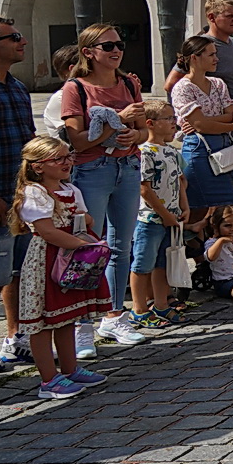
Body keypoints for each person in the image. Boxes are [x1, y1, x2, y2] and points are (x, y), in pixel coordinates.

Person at [59, 24, 148, 352]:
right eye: (107, 45)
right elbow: (78, 142)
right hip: (92, 170)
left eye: (120, 45)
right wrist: (117, 119)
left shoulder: (127, 83)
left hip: (127, 167)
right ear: (88, 51)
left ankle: (114, 316)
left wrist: (133, 135)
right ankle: (82, 326)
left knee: (121, 245)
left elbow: (144, 131)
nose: (116, 50)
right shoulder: (76, 88)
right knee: (86, 248)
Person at [10, 136, 110, 398]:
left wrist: (84, 230)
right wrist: (82, 246)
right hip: (48, 259)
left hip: (71, 256)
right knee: (42, 323)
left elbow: (87, 218)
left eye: (68, 156)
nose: (66, 162)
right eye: (58, 158)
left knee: (66, 317)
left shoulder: (72, 189)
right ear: (38, 166)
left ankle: (70, 368)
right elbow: (47, 232)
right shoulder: (34, 193)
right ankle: (48, 380)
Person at [170, 35, 233, 224]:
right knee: (196, 210)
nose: (216, 59)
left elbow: (228, 115)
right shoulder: (182, 87)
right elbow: (200, 125)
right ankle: (201, 249)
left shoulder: (217, 83)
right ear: (194, 58)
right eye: (211, 54)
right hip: (199, 150)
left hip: (223, 148)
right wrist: (226, 124)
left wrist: (208, 122)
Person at [129, 101, 187, 333]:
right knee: (143, 263)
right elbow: (145, 188)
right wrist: (164, 215)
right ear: (151, 123)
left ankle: (162, 303)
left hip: (171, 217)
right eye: (169, 118)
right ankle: (139, 308)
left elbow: (180, 181)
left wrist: (184, 206)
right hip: (150, 219)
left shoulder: (171, 150)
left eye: (174, 117)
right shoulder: (145, 152)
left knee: (163, 262)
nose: (174, 122)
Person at [0, 18, 33, 371]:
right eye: (13, 38)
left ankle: (15, 338)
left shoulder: (18, 87)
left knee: (16, 271)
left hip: (21, 196)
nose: (22, 41)